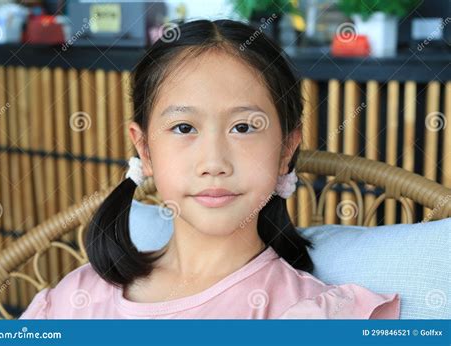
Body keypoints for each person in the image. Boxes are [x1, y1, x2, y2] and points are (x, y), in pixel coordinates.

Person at [20, 19, 400, 319]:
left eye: (244, 128)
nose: (214, 163)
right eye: (184, 128)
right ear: (145, 149)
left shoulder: (307, 316)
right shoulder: (74, 300)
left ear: (286, 148)